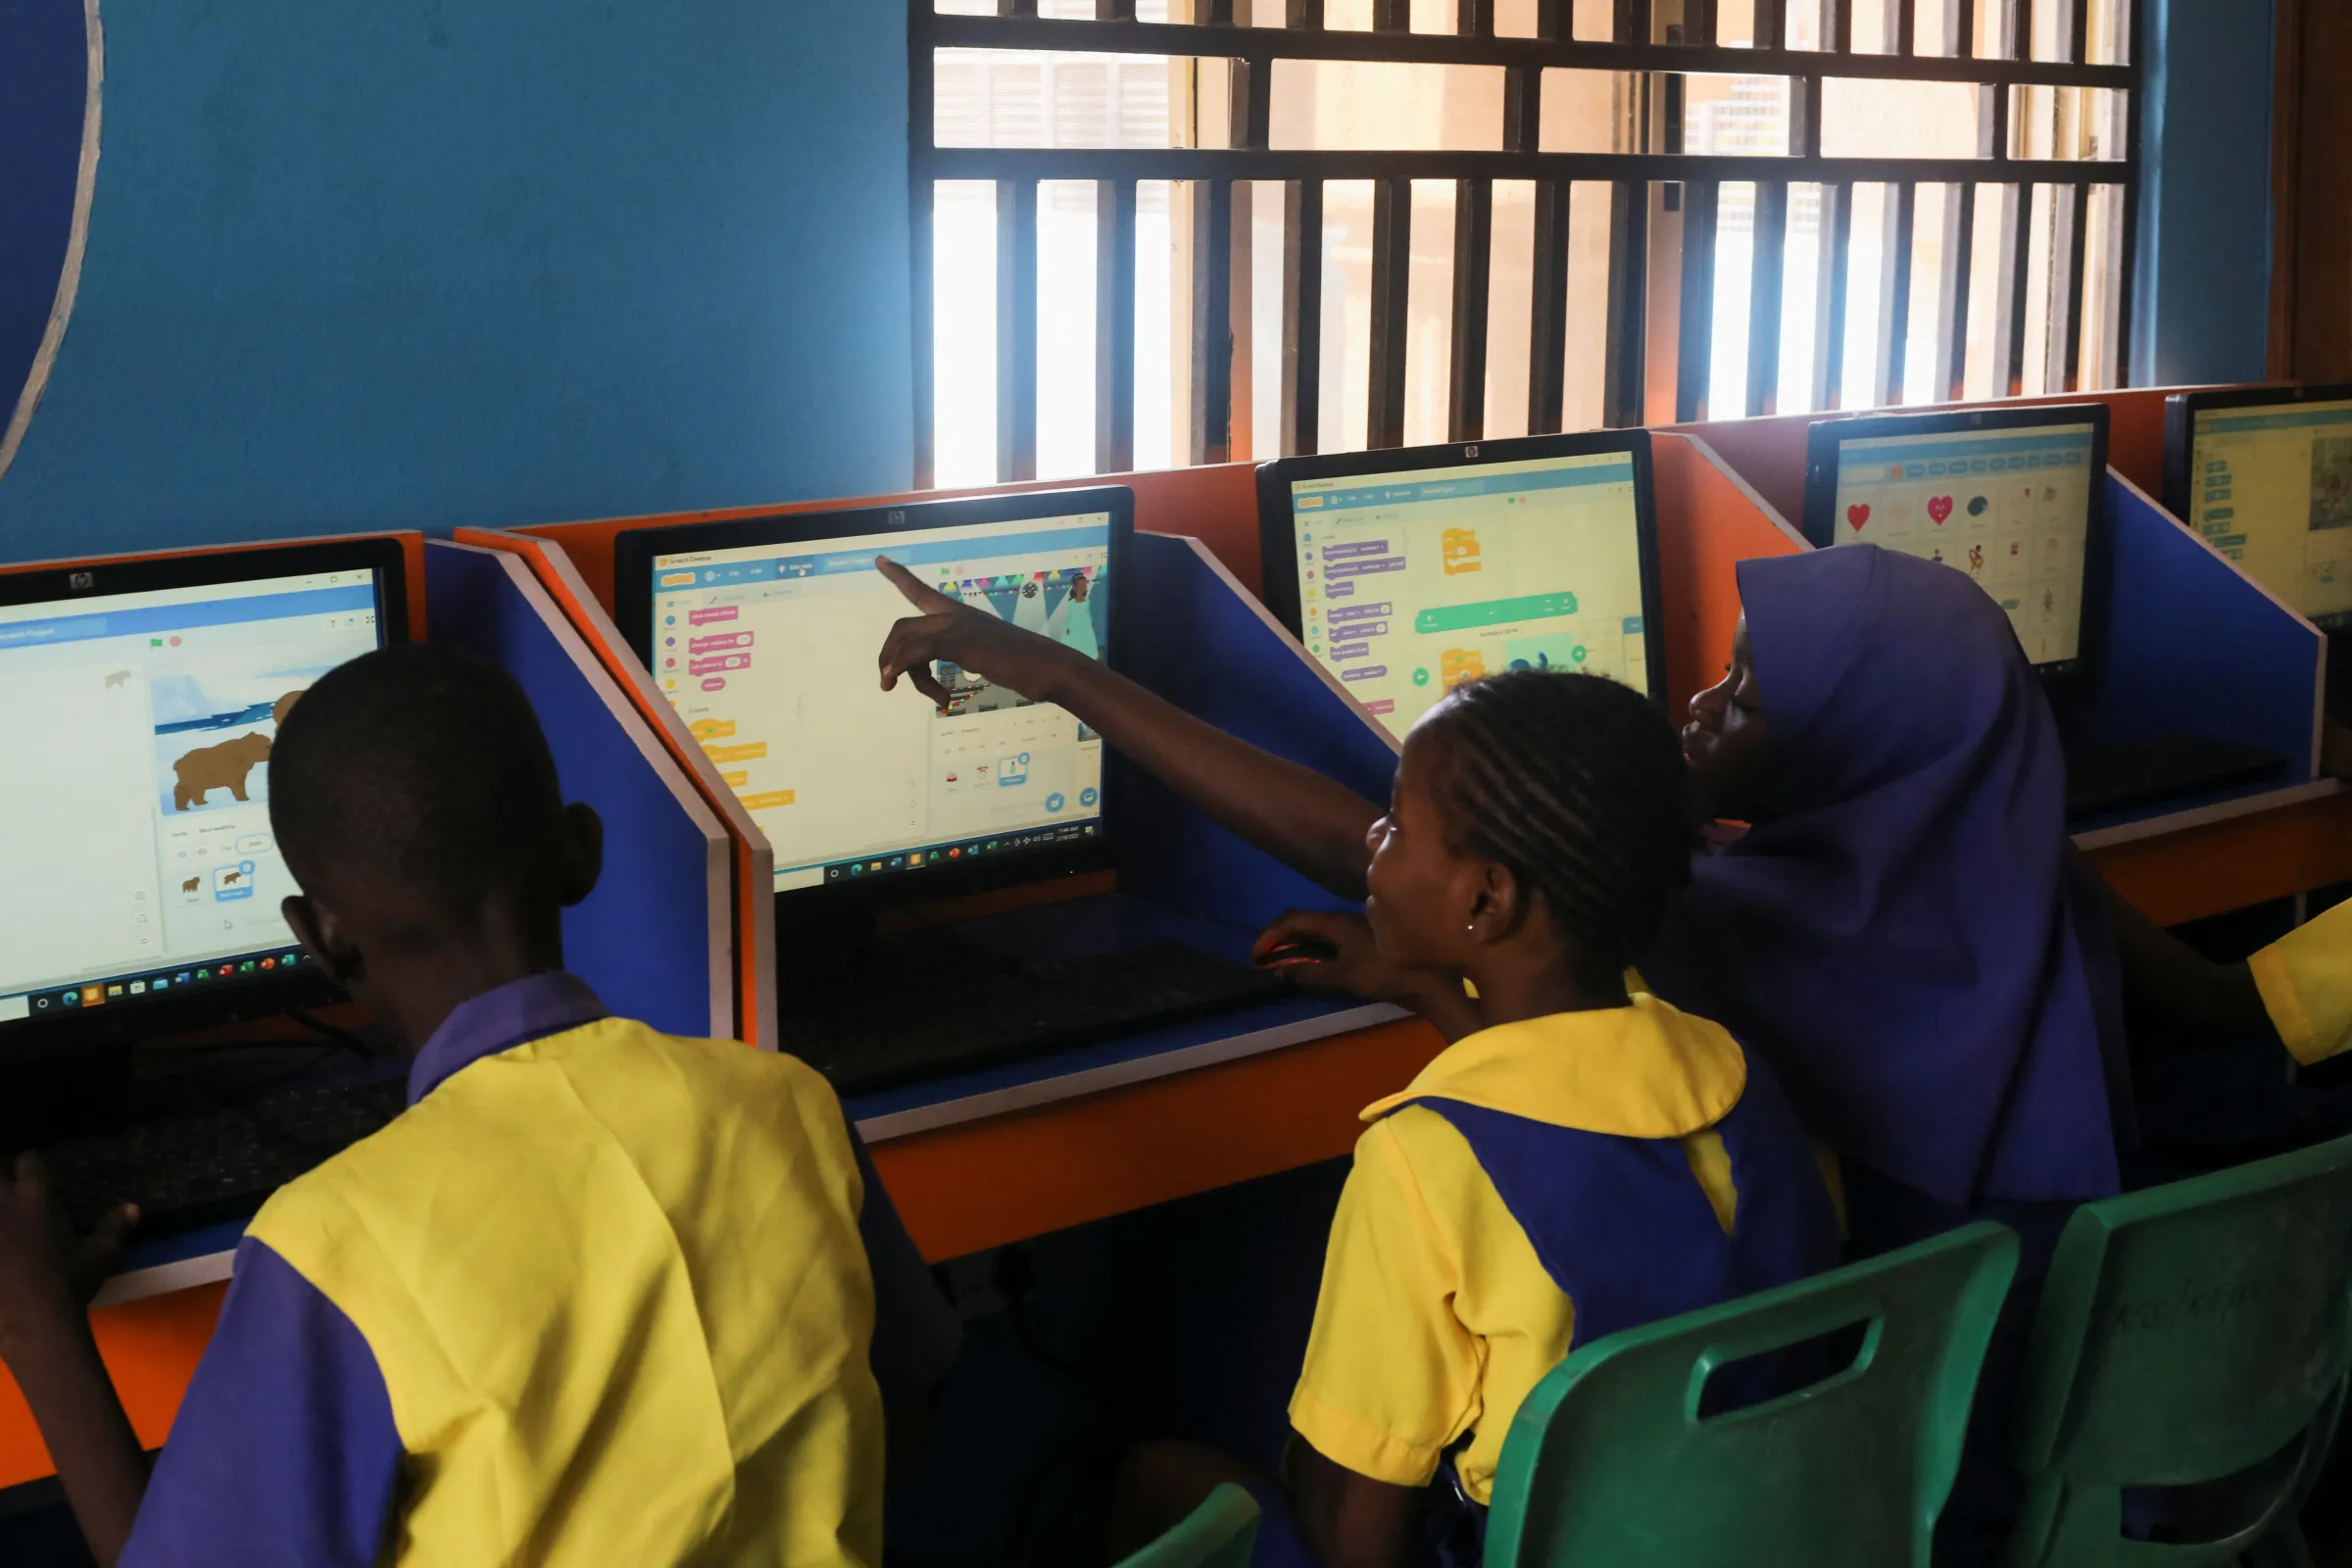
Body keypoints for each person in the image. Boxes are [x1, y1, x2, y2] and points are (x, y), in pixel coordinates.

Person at [878, 576, 1834, 1564]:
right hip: (1728, 1529)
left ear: (1487, 901)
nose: (1368, 846)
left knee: (1161, 1475)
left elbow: (1354, 1535)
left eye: (1392, 826)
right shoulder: (1723, 1065)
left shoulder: (1423, 1161)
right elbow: (1572, 1130)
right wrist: (1427, 989)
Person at [0, 643, 955, 1568]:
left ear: (320, 937)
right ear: (581, 854)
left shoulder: (336, 1243)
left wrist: (38, 1330)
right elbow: (901, 1398)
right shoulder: (786, 1100)